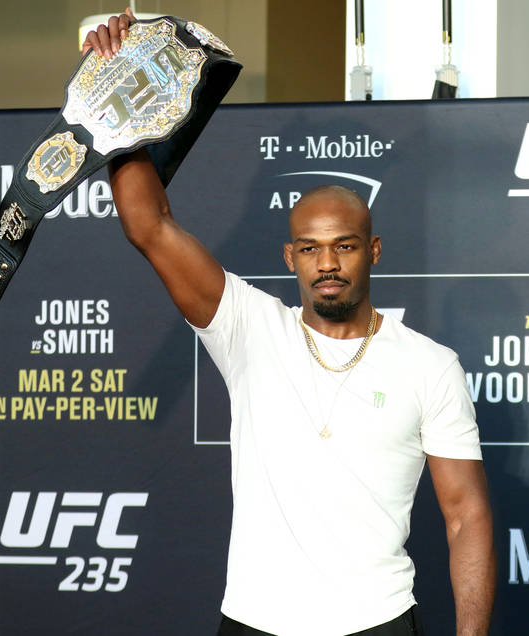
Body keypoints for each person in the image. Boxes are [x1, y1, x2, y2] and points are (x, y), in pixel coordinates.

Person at [84, 12, 495, 636]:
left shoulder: (428, 365)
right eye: (310, 248)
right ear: (290, 256)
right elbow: (150, 226)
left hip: (377, 620)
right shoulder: (249, 328)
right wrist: (115, 90)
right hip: (254, 621)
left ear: (374, 250)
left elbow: (466, 516)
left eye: (346, 246)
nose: (328, 264)